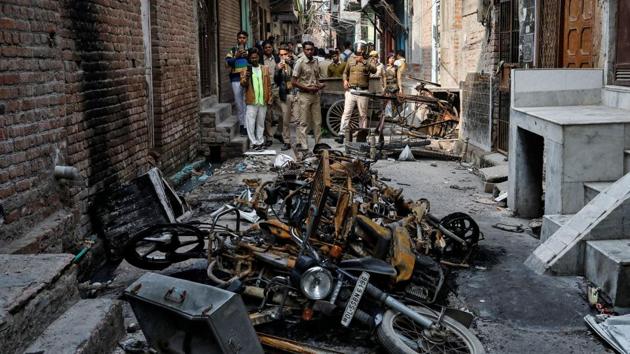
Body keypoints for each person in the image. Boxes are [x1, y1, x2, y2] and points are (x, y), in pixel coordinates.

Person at [335, 41, 377, 144]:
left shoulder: (369, 59)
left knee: (362, 115)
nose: (360, 50)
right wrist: (345, 80)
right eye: (358, 48)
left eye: (362, 48)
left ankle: (362, 135)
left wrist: (363, 61)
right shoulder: (350, 59)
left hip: (363, 92)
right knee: (346, 113)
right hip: (351, 91)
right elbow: (345, 73)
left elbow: (374, 70)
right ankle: (341, 134)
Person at [291, 41, 325, 151]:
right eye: (307, 49)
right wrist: (308, 88)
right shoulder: (300, 62)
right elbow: (294, 82)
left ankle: (318, 144)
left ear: (314, 50)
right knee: (304, 122)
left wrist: (320, 85)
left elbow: (316, 78)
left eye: (311, 49)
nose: (309, 51)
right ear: (304, 50)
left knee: (317, 122)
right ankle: (304, 146)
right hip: (304, 95)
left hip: (315, 95)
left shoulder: (316, 61)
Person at [241, 48, 273, 150]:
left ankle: (260, 141)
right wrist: (246, 77)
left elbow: (268, 85)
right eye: (252, 58)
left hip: (262, 100)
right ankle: (253, 142)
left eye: (255, 57)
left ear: (258, 57)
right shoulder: (244, 70)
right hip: (251, 100)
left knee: (260, 122)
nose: (254, 59)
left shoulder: (264, 68)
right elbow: (243, 84)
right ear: (249, 59)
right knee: (250, 122)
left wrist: (269, 98)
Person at [225, 31, 250, 135]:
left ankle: (247, 125)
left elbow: (255, 61)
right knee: (239, 103)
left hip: (248, 79)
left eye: (244, 38)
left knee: (247, 103)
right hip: (236, 79)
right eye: (240, 37)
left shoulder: (249, 50)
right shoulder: (233, 50)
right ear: (237, 39)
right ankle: (242, 125)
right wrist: (237, 56)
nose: (242, 39)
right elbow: (227, 63)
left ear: (246, 39)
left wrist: (246, 56)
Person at [274, 45, 297, 151]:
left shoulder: (295, 63)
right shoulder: (278, 66)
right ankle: (287, 141)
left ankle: (300, 141)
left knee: (299, 119)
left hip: (295, 93)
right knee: (286, 120)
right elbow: (277, 81)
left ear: (289, 54)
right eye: (281, 54)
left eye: (285, 54)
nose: (283, 56)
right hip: (285, 94)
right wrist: (278, 70)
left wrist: (290, 63)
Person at [262, 40, 280, 146]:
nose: (268, 49)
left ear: (272, 48)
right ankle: (269, 137)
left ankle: (279, 132)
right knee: (268, 115)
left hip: (276, 88)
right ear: (263, 49)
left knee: (282, 112)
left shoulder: (277, 59)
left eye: (269, 47)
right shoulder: (261, 60)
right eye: (266, 47)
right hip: (266, 90)